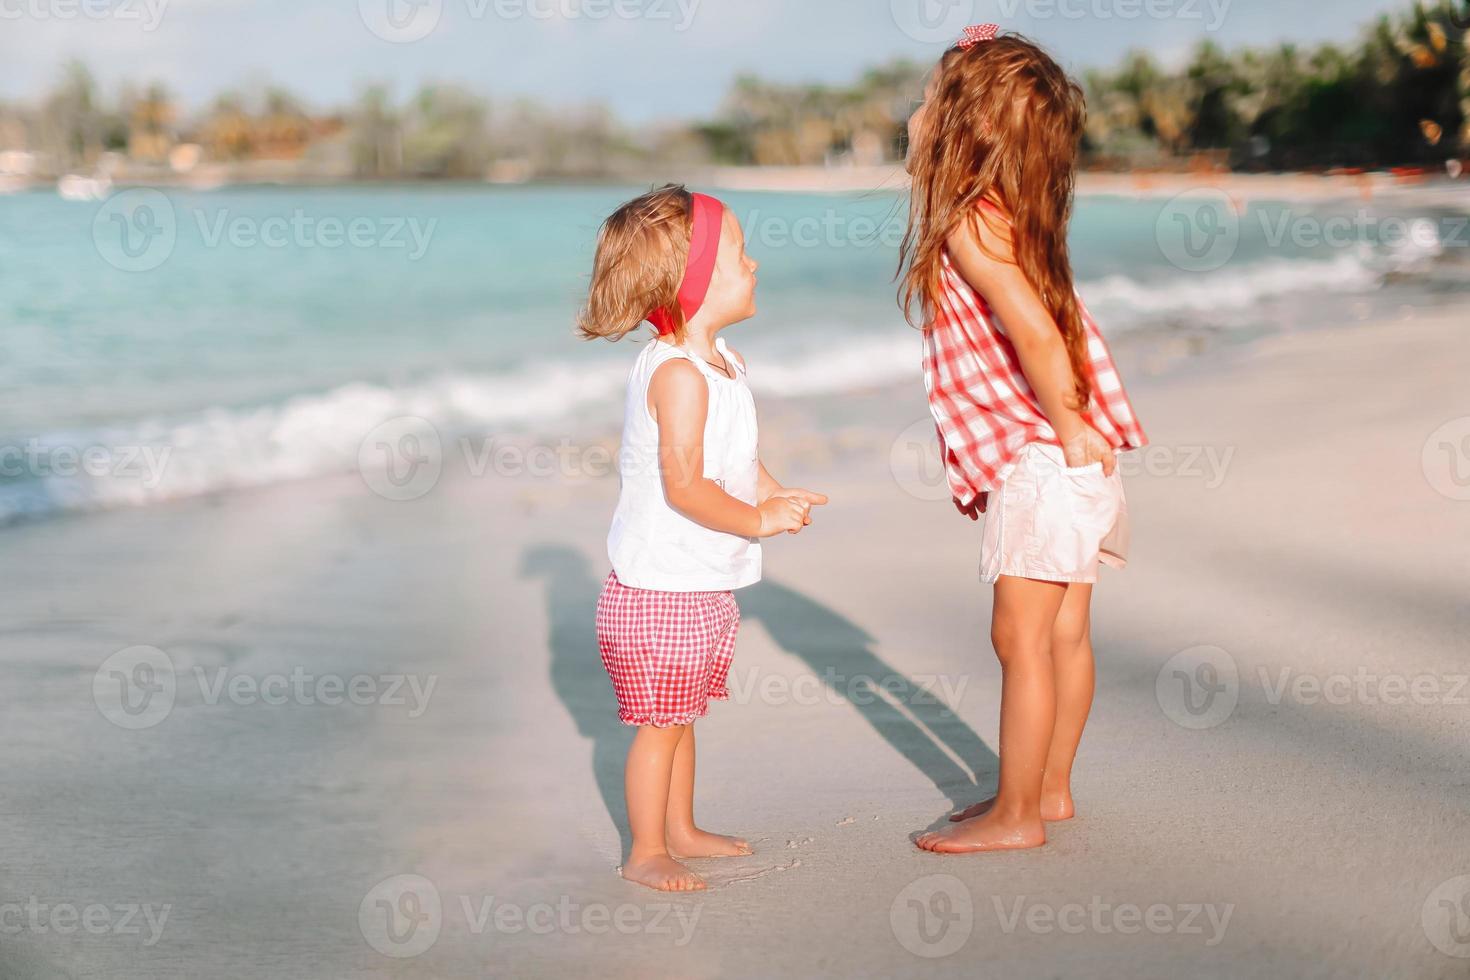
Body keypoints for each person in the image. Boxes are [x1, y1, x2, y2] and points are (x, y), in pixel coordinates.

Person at [899, 27, 1148, 853]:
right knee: (1065, 634)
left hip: (1045, 458)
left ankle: (1016, 818)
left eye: (931, 100)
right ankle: (1049, 791)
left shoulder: (972, 221)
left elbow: (1037, 335)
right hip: (1074, 456)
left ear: (962, 129)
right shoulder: (1017, 219)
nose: (916, 110)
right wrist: (1080, 427)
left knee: (1020, 639)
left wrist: (1069, 427)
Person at [578, 185, 828, 888]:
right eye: (741, 255)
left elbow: (733, 459)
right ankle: (646, 850)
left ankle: (680, 828)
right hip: (658, 590)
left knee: (682, 716)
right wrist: (757, 522)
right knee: (660, 725)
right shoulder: (679, 375)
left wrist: (770, 490)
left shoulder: (723, 362)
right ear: (698, 280)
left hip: (696, 581)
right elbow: (686, 484)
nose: (756, 266)